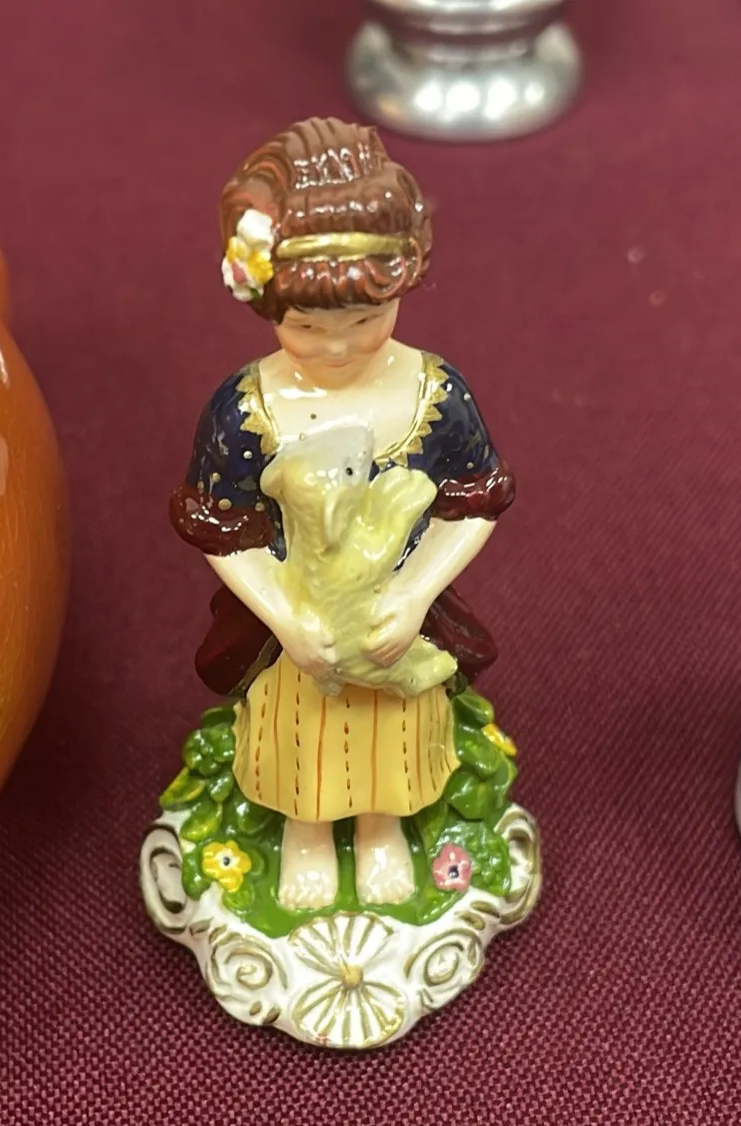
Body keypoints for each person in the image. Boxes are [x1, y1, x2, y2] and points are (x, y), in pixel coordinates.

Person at [170, 117, 514, 909]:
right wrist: (284, 617)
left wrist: (415, 593)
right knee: (301, 733)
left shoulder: (434, 393)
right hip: (299, 629)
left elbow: (472, 502)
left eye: (363, 321)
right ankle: (305, 833)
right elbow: (223, 528)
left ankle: (384, 827)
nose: (336, 347)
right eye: (306, 328)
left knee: (396, 728)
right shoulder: (245, 408)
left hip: (393, 621)